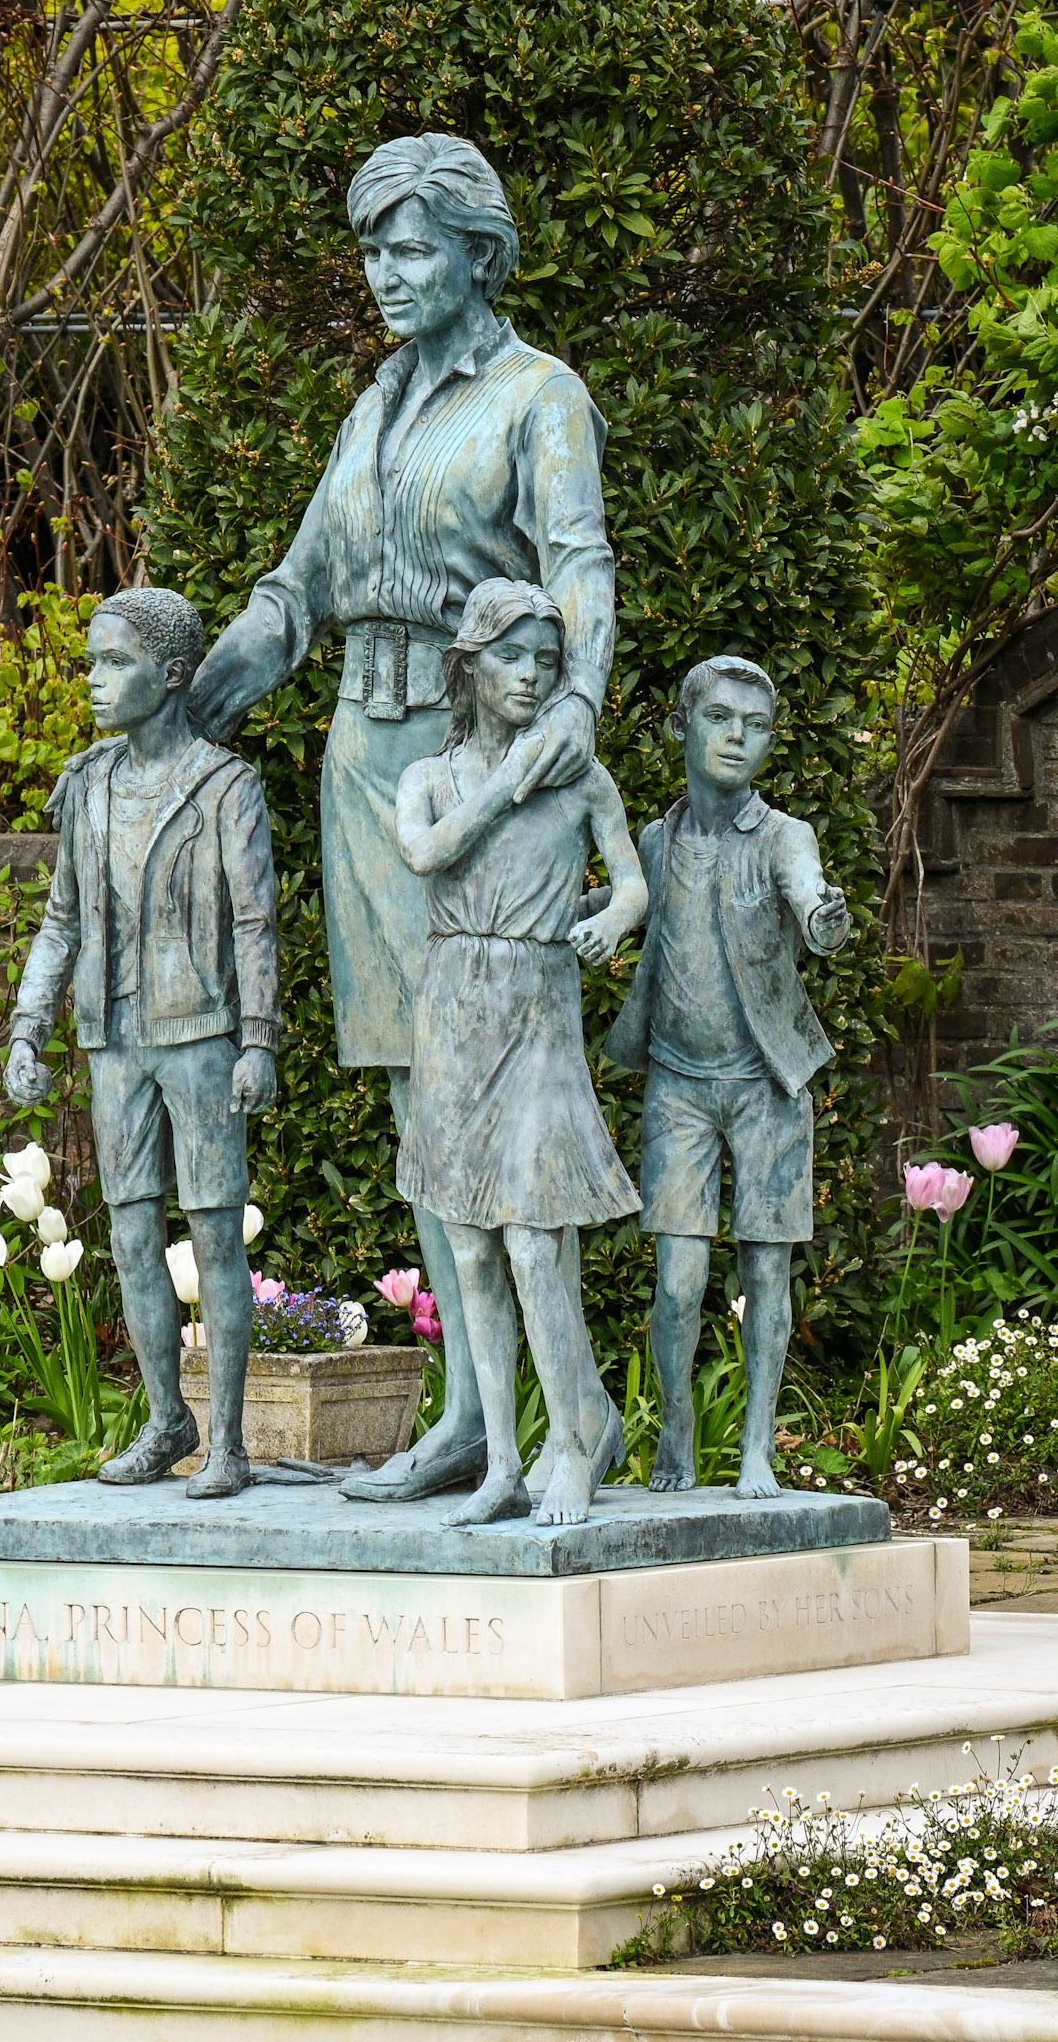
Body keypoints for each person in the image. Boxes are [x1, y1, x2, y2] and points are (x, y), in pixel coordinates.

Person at [190, 133, 619, 1503]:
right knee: (409, 1094)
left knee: (489, 1096)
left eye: (412, 247)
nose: (384, 273)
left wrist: (578, 709)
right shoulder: (371, 407)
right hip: (357, 760)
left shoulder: (537, 399)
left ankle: (557, 1418)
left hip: (467, 767)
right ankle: (468, 1418)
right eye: (373, 249)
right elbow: (295, 588)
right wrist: (189, 709)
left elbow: (579, 566)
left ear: (479, 256)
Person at [5, 588, 280, 1500]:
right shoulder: (86, 788)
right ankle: (168, 1419)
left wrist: (259, 1040)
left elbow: (255, 924)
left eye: (112, 663)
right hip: (113, 1037)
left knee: (214, 1238)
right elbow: (60, 920)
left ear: (168, 677)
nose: (92, 681)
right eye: (91, 662)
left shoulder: (225, 787)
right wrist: (27, 1026)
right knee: (129, 1237)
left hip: (201, 1037)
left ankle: (229, 1441)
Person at [388, 580, 646, 1526]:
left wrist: (613, 921)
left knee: (538, 1244)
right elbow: (425, 854)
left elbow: (631, 886)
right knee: (470, 1250)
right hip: (453, 1009)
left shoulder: (582, 777)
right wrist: (507, 783)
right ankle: (502, 1460)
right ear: (470, 665)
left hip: (539, 1010)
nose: (533, 678)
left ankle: (576, 1443)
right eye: (512, 658)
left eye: (548, 661)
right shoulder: (428, 776)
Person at [604, 656, 851, 1499]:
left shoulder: (786, 837)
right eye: (720, 718)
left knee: (766, 1273)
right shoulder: (652, 842)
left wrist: (824, 915)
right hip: (676, 1085)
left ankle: (756, 1451)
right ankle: (675, 1439)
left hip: (768, 1087)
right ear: (681, 727)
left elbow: (810, 896)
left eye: (754, 725)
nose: (738, 737)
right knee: (677, 1282)